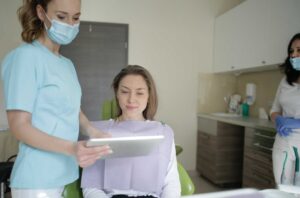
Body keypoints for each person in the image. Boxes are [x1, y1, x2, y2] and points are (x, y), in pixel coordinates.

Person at [1, 0, 112, 197]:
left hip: (66, 174)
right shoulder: (24, 57)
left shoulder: (67, 64)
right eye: (61, 17)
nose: (70, 24)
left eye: (76, 18)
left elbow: (72, 109)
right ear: (41, 12)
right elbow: (19, 126)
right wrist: (72, 148)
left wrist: (93, 132)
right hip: (37, 180)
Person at [81, 65, 181, 198]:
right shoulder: (98, 132)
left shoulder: (163, 132)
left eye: (139, 93)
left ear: (149, 96)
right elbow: (91, 187)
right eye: (124, 92)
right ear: (116, 93)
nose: (131, 99)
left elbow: (171, 183)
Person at [270, 33, 300, 186]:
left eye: (299, 50)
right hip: (283, 142)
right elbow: (274, 109)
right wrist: (278, 119)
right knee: (282, 190)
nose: (294, 55)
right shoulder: (285, 81)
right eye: (291, 51)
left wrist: (296, 124)